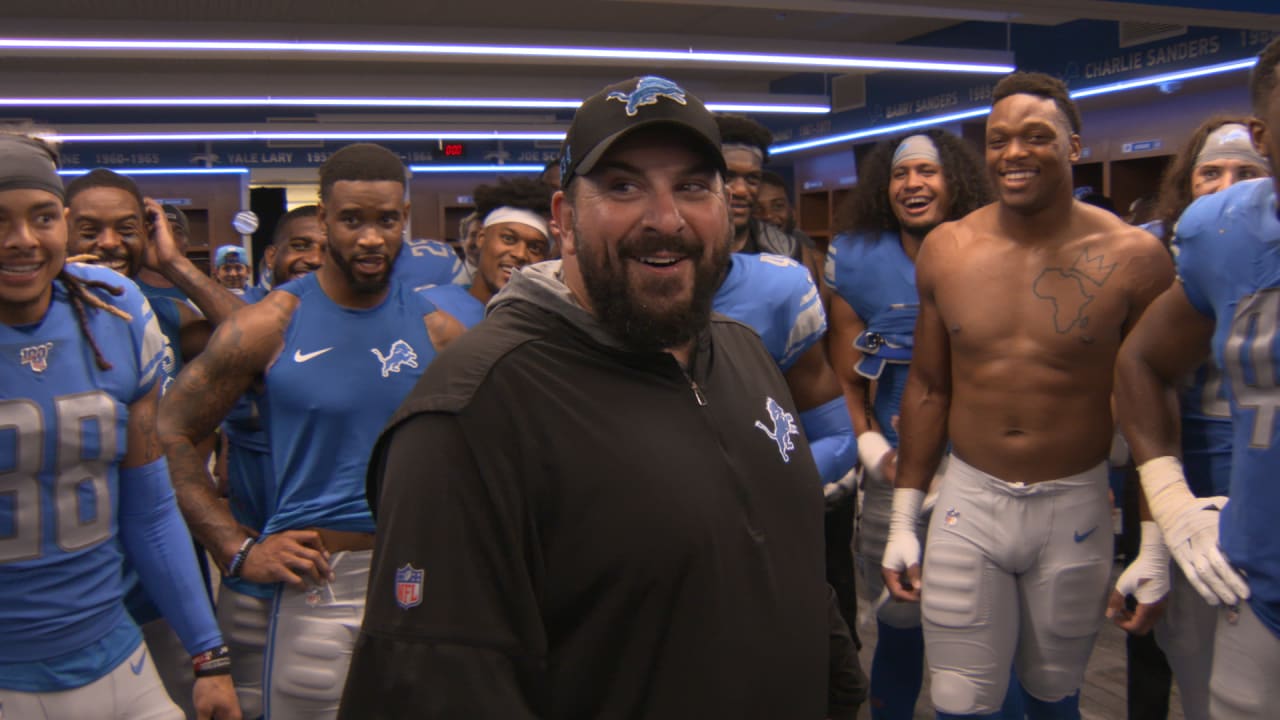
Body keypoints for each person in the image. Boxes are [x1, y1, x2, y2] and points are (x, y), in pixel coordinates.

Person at [339, 74, 865, 719]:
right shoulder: (473, 413)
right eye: (622, 186)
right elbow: (438, 689)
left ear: (725, 208)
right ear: (563, 219)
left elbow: (794, 571)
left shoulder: (742, 352)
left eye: (693, 187)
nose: (665, 219)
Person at [879, 72, 1173, 719]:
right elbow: (929, 387)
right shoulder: (947, 250)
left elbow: (1155, 405)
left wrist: (1155, 539)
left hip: (1073, 501)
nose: (1014, 153)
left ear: (1073, 146)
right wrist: (904, 517)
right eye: (998, 139)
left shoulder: (1135, 258)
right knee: (959, 695)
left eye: (1036, 137)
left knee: (1054, 690)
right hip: (969, 496)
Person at [157, 142, 463, 720]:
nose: (371, 238)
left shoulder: (440, 331)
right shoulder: (270, 323)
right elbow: (166, 432)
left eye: (386, 220)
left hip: (411, 579)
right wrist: (234, 547)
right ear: (323, 220)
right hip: (314, 582)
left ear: (406, 219)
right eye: (352, 220)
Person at [0, 134, 240, 720]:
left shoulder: (116, 308)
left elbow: (149, 508)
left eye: (42, 217)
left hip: (116, 654)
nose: (23, 240)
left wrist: (209, 656)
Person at [1114, 37, 1280, 720]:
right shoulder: (1224, 232)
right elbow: (1141, 362)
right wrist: (1172, 502)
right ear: (1267, 135)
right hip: (1259, 589)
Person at [826, 129, 1010, 720]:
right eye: (902, 174)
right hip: (898, 470)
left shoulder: (998, 248)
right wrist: (876, 449)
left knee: (990, 623)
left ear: (955, 179)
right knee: (897, 614)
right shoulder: (858, 262)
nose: (914, 184)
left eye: (928, 171)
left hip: (987, 467)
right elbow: (847, 381)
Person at [65, 167, 245, 716]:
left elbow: (252, 337)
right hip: (71, 565)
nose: (110, 243)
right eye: (90, 230)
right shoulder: (27, 313)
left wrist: (171, 263)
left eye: (126, 228)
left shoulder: (163, 313)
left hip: (163, 560)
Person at [214, 204, 325, 719]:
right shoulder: (235, 319)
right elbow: (175, 442)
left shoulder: (358, 323)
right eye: (301, 245)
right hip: (251, 571)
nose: (312, 258)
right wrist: (229, 541)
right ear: (273, 254)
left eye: (325, 248)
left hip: (331, 575)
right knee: (247, 706)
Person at [711, 250, 859, 637]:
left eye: (691, 189)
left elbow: (839, 438)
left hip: (759, 546)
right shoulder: (572, 298)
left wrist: (757, 492)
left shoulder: (774, 289)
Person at [421, 177, 552, 329]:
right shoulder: (431, 306)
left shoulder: (541, 324)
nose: (520, 254)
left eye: (535, 248)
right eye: (508, 238)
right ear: (481, 238)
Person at [716, 114, 823, 283]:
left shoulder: (789, 252)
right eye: (728, 177)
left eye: (752, 179)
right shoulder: (678, 246)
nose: (741, 190)